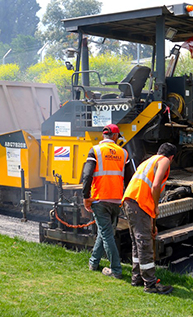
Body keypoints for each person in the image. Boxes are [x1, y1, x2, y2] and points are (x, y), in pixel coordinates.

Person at [122, 142, 177, 294]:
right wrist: (156, 206)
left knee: (137, 243)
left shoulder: (148, 161)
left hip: (131, 202)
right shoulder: (164, 160)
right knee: (144, 243)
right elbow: (155, 186)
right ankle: (150, 284)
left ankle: (137, 277)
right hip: (139, 204)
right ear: (171, 157)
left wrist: (153, 221)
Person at [81, 124, 131, 279]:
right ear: (115, 136)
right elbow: (130, 179)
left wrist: (85, 196)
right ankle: (93, 262)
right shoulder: (123, 153)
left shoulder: (95, 150)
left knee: (106, 234)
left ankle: (116, 270)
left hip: (100, 199)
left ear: (103, 135)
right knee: (106, 233)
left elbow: (87, 175)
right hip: (117, 200)